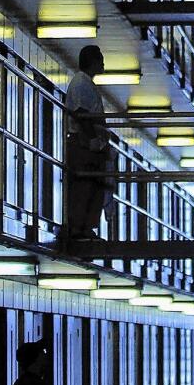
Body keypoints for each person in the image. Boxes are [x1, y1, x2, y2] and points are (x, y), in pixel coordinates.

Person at [62, 45, 112, 242]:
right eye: (100, 59)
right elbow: (81, 114)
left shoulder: (86, 83)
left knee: (93, 186)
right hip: (83, 145)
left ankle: (85, 227)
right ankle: (78, 228)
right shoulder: (81, 83)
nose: (103, 63)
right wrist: (93, 140)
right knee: (84, 186)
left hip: (90, 144)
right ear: (92, 61)